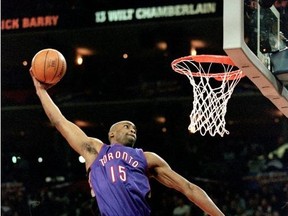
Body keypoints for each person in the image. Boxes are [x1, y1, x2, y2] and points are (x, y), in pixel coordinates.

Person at [30, 70, 224, 216]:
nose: (132, 129)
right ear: (111, 134)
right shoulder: (95, 151)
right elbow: (60, 122)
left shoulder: (147, 158)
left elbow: (188, 188)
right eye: (126, 126)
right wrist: (41, 91)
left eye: (134, 129)